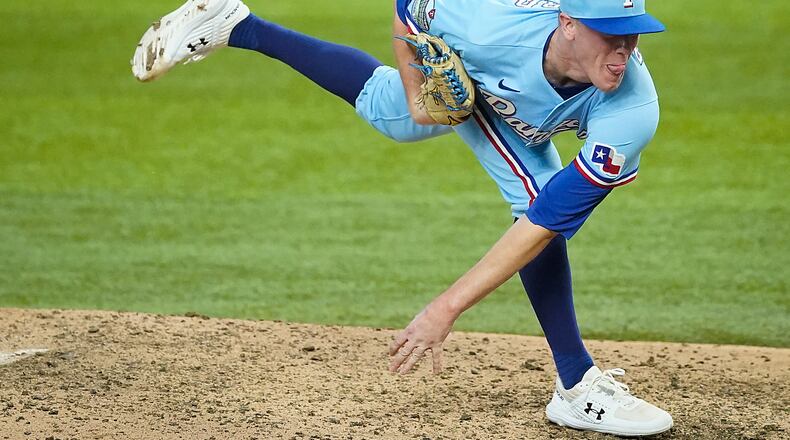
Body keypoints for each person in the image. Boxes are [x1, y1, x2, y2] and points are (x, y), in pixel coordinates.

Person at [132, 0, 673, 436]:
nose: (623, 53)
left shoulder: (633, 110)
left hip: (507, 99)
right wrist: (419, 94)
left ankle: (241, 26)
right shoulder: (485, 23)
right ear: (569, 22)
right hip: (487, 81)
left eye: (633, 36)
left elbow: (549, 222)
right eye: (610, 35)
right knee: (510, 178)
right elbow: (410, 6)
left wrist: (447, 305)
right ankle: (576, 386)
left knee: (387, 116)